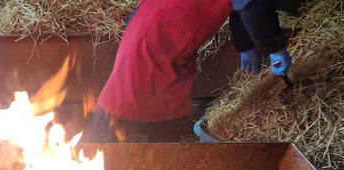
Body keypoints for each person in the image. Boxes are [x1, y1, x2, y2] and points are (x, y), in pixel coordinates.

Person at [80, 0, 292, 143]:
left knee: (157, 98)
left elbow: (240, 7)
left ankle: (161, 169)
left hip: (167, 26)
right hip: (163, 31)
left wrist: (246, 46)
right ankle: (93, 154)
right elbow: (254, 8)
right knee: (129, 97)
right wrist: (275, 47)